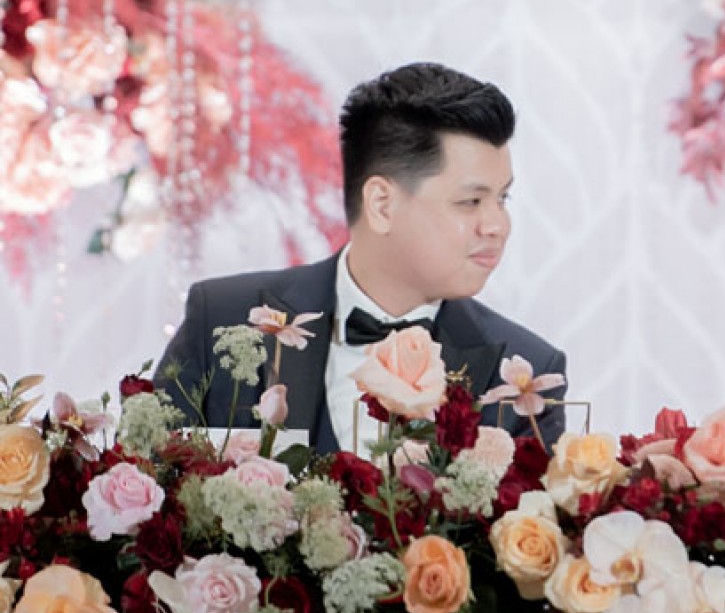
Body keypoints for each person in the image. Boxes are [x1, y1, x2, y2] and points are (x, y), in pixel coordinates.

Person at [158, 61, 566, 451]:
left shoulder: (525, 373)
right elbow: (149, 479)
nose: (497, 225)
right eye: (471, 201)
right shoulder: (223, 319)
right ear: (382, 205)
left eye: (503, 198)